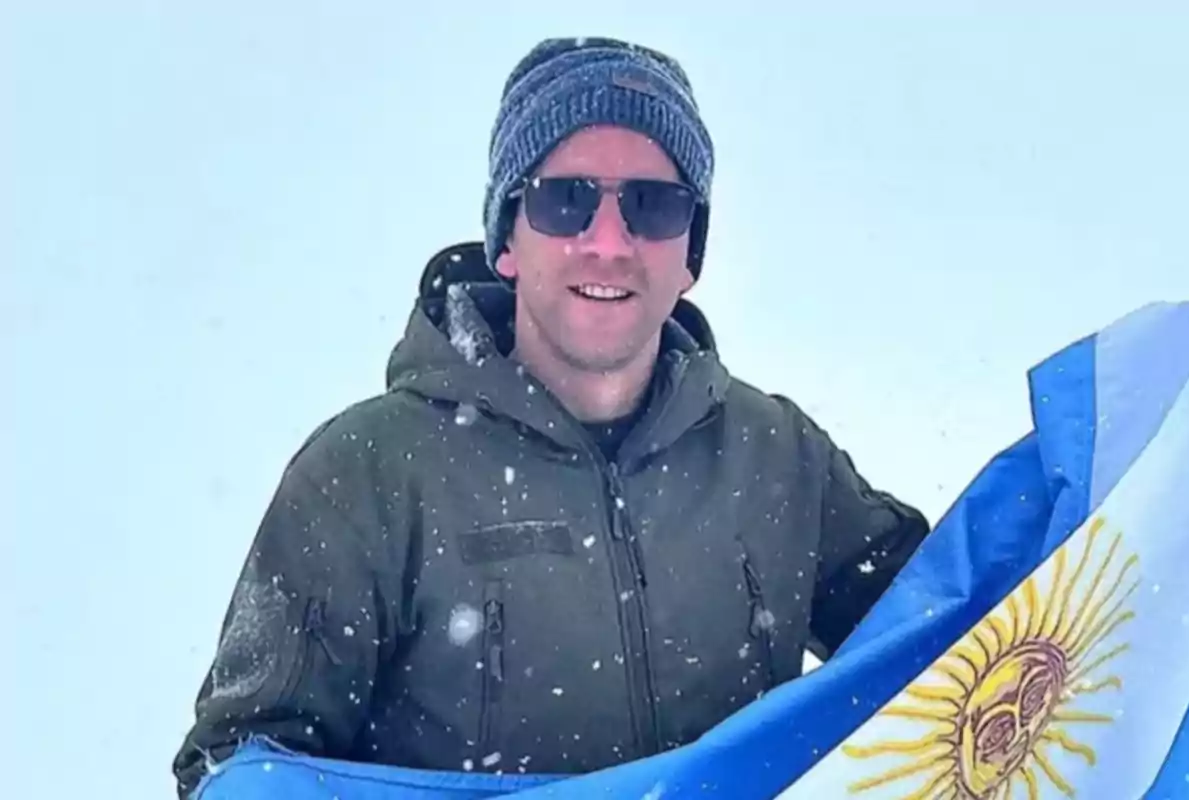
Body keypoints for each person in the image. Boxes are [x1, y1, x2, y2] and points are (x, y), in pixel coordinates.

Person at [172, 35, 930, 799]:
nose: (608, 241)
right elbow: (242, 768)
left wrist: (1055, 516)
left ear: (690, 254)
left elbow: (954, 638)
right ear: (507, 239)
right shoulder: (366, 473)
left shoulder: (777, 456)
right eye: (565, 200)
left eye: (653, 205)